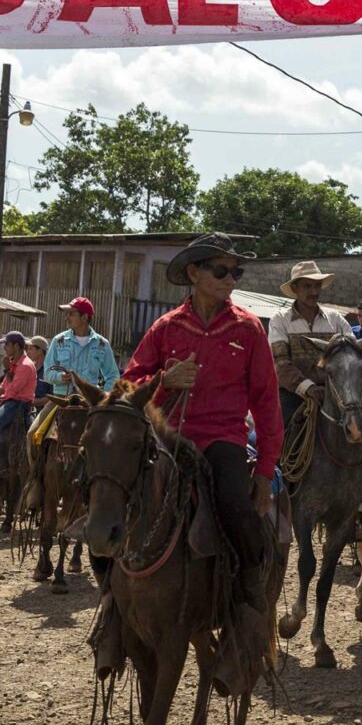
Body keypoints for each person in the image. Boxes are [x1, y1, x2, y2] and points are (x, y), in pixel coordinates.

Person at [122, 233, 282, 696]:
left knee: (239, 511)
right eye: (221, 271)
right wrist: (164, 381)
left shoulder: (249, 329)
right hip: (167, 438)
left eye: (237, 272)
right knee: (111, 498)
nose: (231, 279)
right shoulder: (166, 328)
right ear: (194, 274)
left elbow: (268, 405)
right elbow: (129, 384)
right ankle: (113, 613)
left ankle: (248, 613)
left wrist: (266, 472)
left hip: (221, 442)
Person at [268, 260, 355, 432]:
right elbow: (281, 364)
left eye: (317, 286)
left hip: (335, 394)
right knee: (279, 433)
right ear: (295, 289)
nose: (313, 291)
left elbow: (351, 355)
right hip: (293, 394)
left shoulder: (336, 319)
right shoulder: (280, 320)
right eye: (307, 286)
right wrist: (309, 388)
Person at [43, 296, 120, 397]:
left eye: (71, 314)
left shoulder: (102, 344)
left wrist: (103, 396)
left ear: (84, 317)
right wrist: (60, 377)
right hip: (61, 399)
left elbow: (113, 376)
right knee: (43, 414)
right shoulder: (58, 340)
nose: (66, 318)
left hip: (89, 400)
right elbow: (47, 373)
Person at [0, 332, 36, 470]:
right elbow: (3, 387)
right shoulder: (15, 363)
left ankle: (0, 466)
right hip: (10, 401)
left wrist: (7, 369)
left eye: (6, 344)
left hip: (18, 404)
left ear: (16, 346)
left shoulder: (25, 366)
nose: (4, 348)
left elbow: (13, 390)